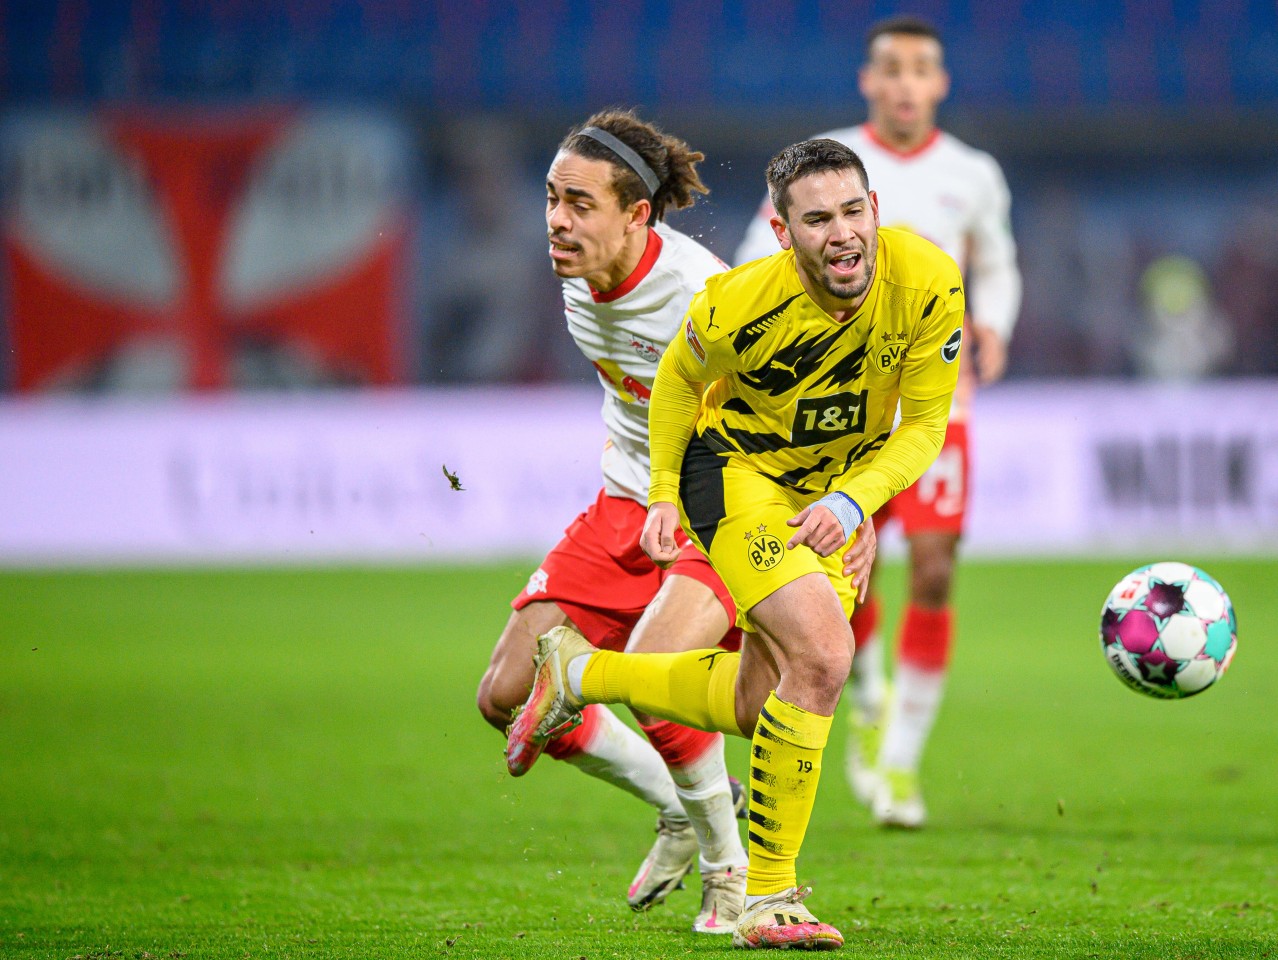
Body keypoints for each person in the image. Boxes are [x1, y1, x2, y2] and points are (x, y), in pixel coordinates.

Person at [509, 138, 964, 950]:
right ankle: (767, 896)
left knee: (762, 702)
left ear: (876, 213)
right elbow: (681, 384)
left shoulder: (929, 285)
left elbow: (925, 421)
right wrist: (660, 496)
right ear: (784, 234)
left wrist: (856, 505)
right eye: (817, 219)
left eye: (854, 211)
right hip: (737, 475)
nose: (842, 234)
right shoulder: (737, 301)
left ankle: (576, 671)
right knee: (824, 658)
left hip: (829, 490)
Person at [734, 15, 1022, 829]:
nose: (904, 83)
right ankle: (864, 691)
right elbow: (760, 256)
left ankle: (897, 762)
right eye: (890, 68)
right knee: (846, 572)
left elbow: (995, 262)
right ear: (868, 81)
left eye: (920, 69)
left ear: (940, 84)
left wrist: (993, 320)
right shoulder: (823, 167)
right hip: (837, 412)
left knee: (933, 566)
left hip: (935, 402)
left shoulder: (973, 173)